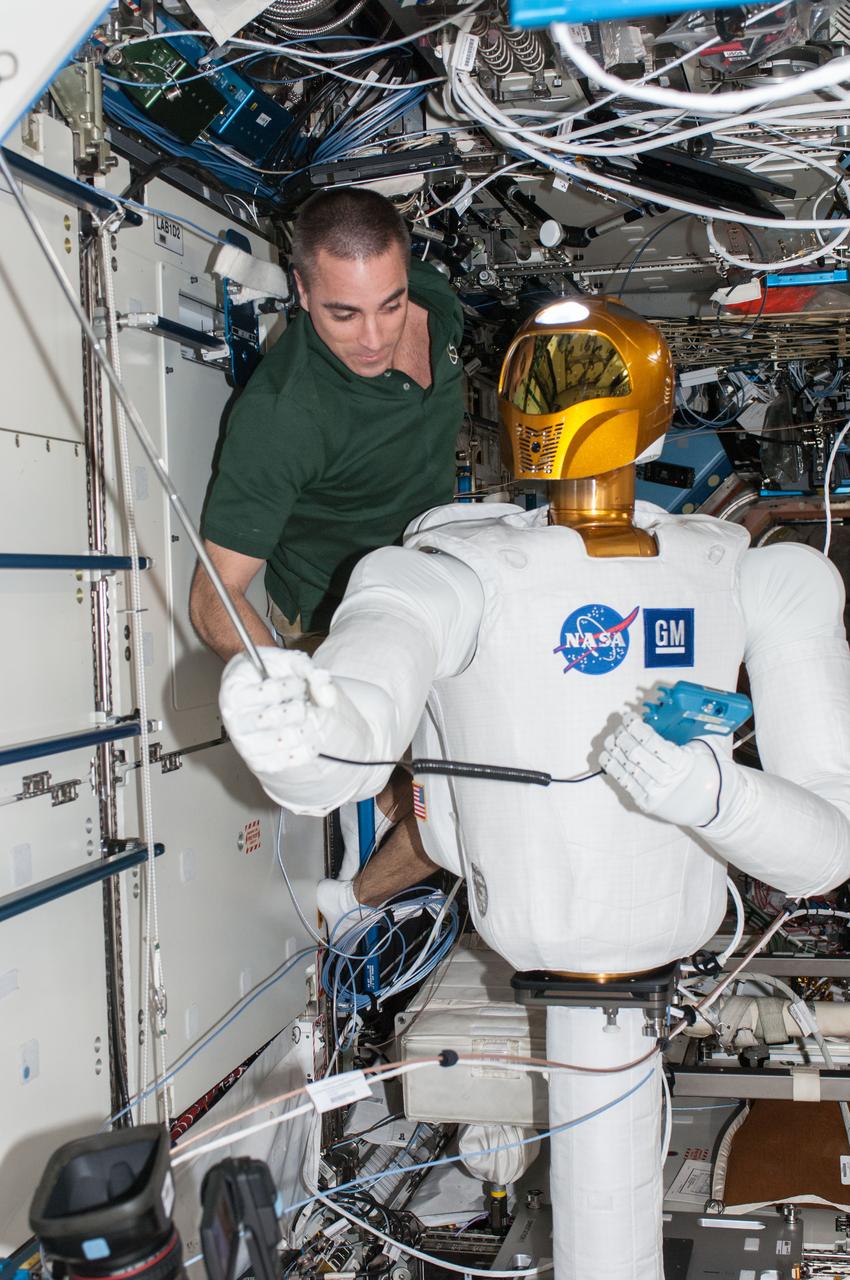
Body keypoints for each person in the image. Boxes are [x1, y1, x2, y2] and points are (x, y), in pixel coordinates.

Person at [216, 296, 850, 1279]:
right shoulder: (458, 569)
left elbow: (825, 846)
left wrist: (712, 796)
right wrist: (302, 719)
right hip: (556, 938)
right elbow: (360, 711)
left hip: (623, 948)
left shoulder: (756, 575)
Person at [190, 186, 465, 917]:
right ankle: (348, 905)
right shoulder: (286, 415)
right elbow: (213, 595)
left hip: (440, 574)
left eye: (389, 303)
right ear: (303, 293)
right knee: (468, 797)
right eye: (344, 312)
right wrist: (291, 700)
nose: (373, 336)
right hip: (343, 614)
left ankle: (363, 876)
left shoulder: (437, 304)